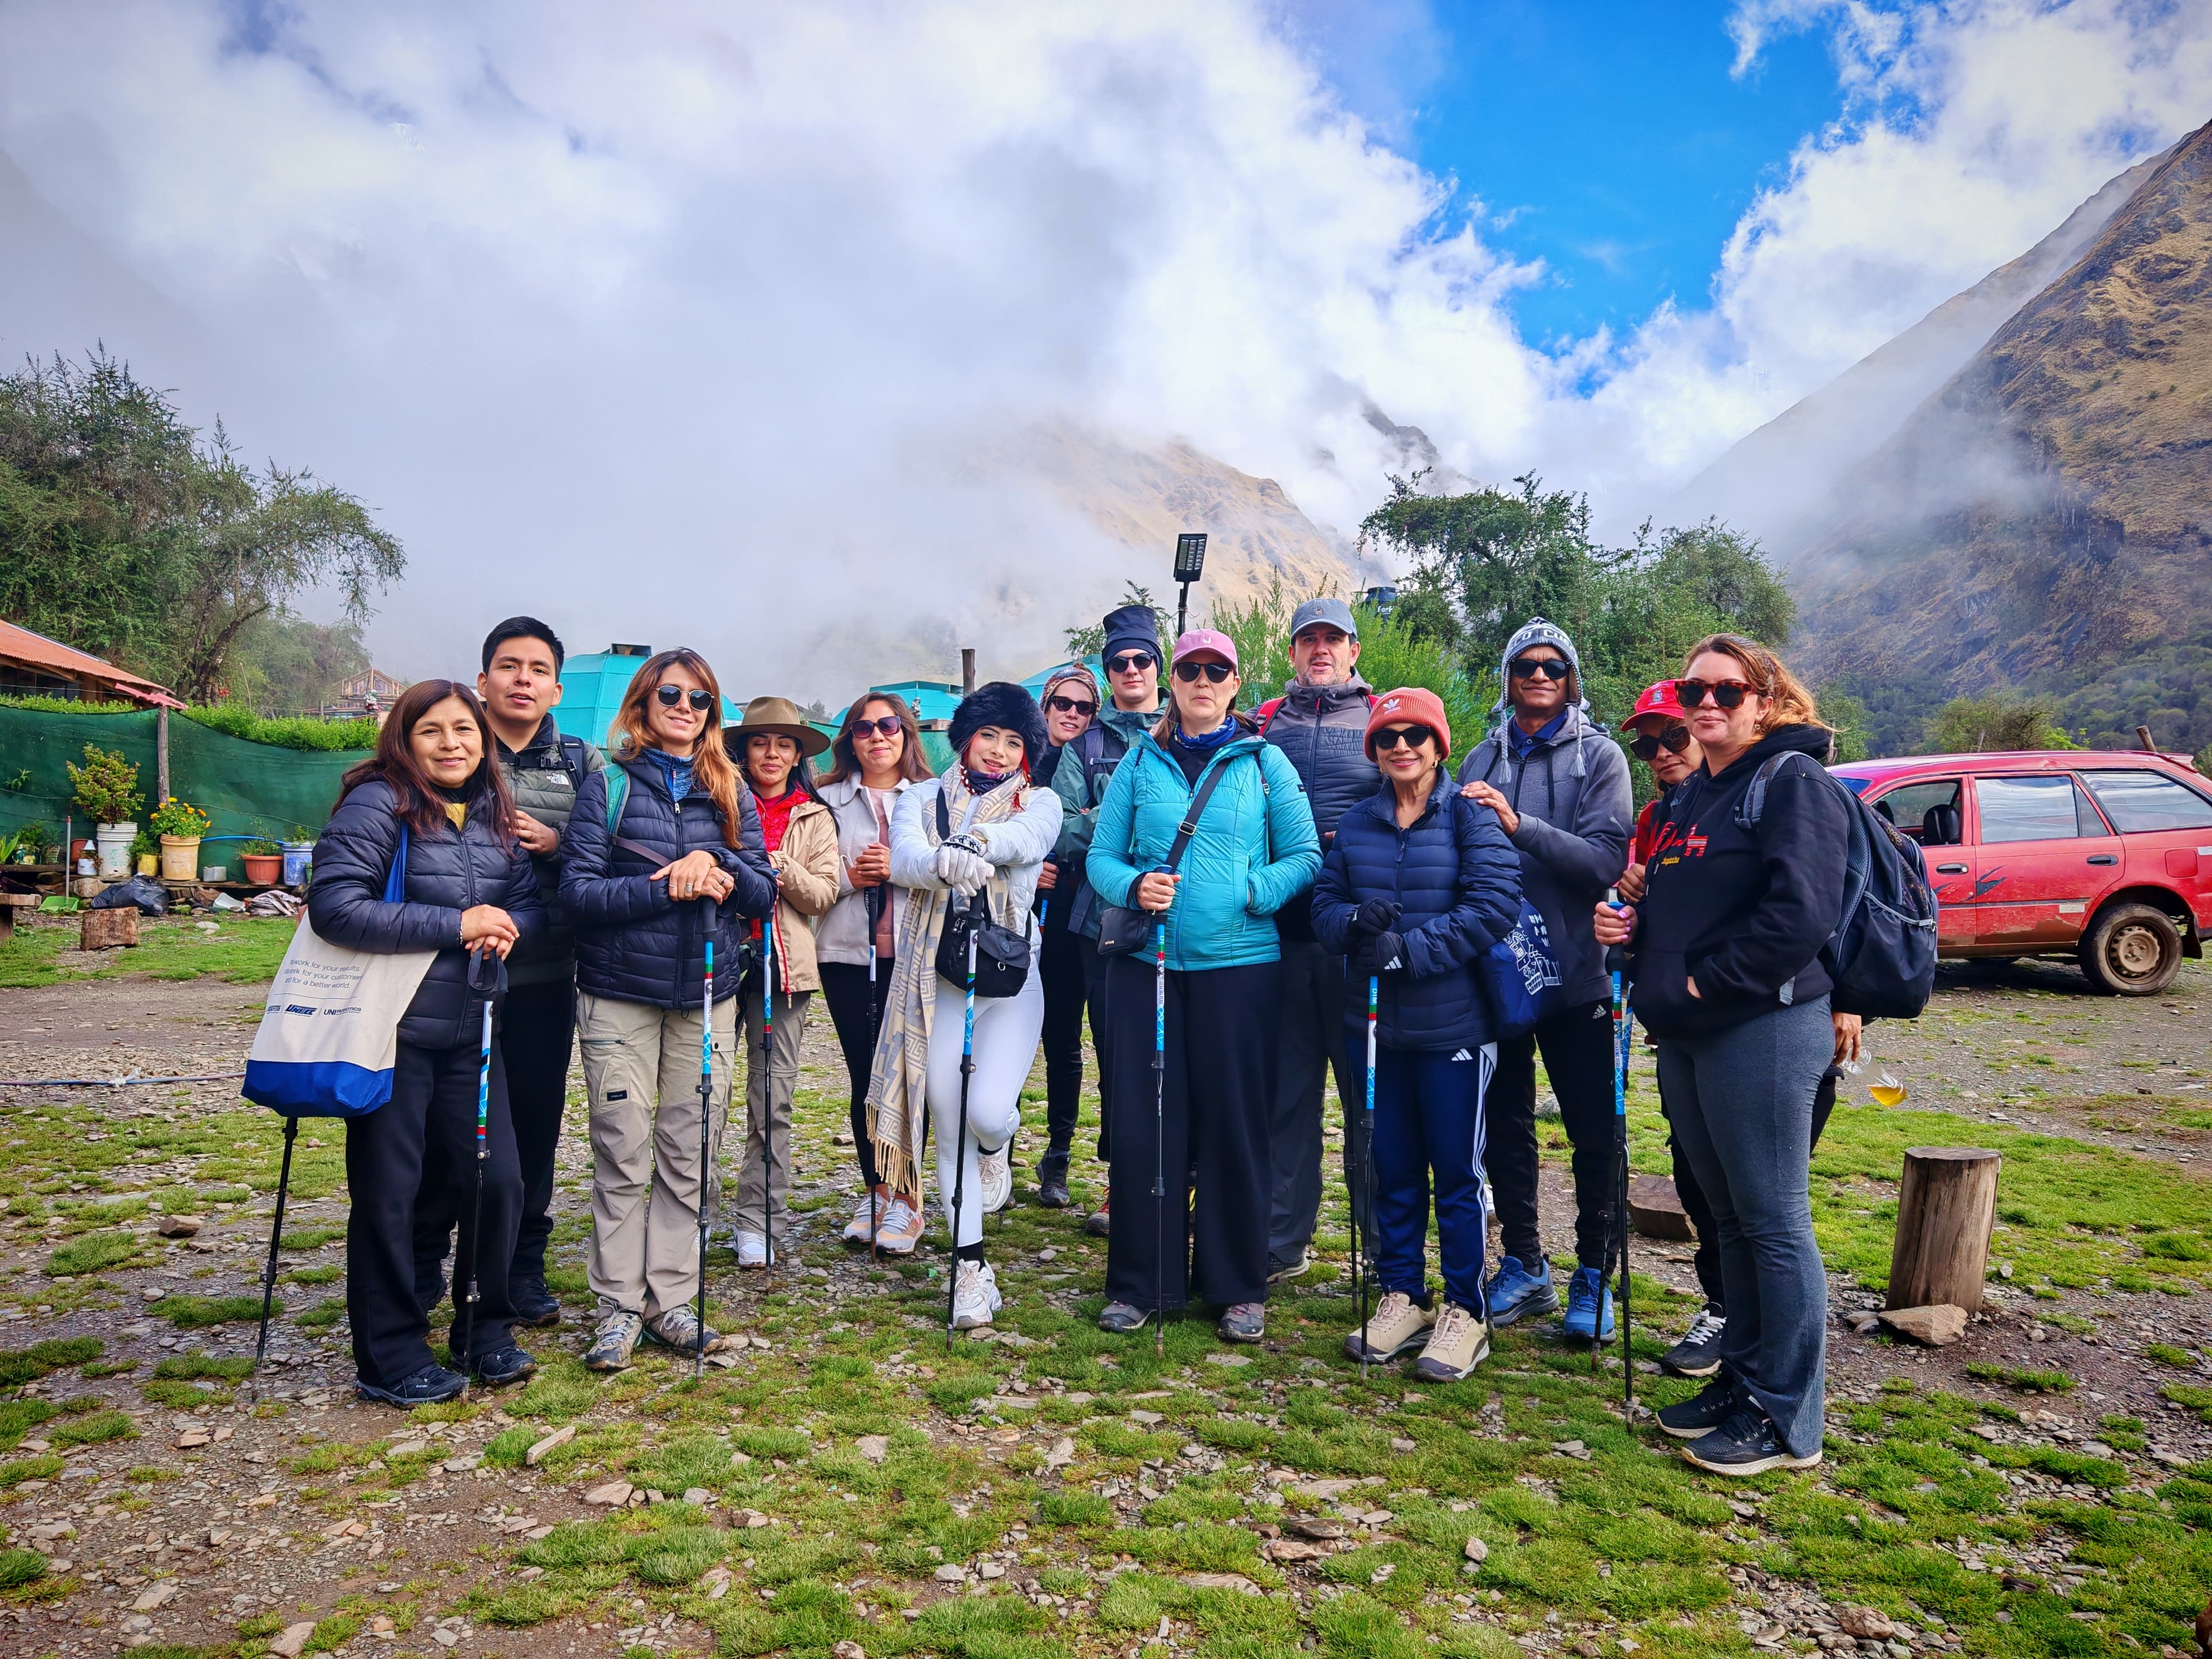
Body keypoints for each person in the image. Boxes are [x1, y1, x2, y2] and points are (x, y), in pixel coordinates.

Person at [1594, 634, 1846, 1475]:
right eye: (1696, 690)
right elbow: (1682, 902)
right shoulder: (1694, 795)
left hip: (1763, 1026)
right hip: (1690, 1035)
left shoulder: (1792, 781)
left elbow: (1801, 914)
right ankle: (1743, 1383)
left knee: (1774, 1221)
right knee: (1730, 1219)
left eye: (1727, 691)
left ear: (1765, 702)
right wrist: (1627, 933)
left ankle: (1787, 1419)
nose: (1707, 704)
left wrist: (1709, 987)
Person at [311, 679, 545, 1407]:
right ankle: (389, 1355)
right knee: (391, 1195)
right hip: (391, 1033)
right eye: (433, 732)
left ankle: (485, 1328)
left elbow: (530, 903)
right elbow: (335, 908)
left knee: (498, 1181)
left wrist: (509, 927)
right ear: (404, 741)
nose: (452, 744)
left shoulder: (494, 814)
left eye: (465, 731)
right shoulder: (377, 803)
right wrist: (458, 924)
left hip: (473, 1032)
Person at [1088, 630, 1319, 1343]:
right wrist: (1134, 883)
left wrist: (1255, 889)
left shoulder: (1265, 762)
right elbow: (1101, 856)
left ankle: (1236, 1286)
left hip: (1240, 967)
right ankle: (1141, 1283)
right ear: (1173, 681)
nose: (1203, 680)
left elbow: (1306, 855)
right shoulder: (1139, 760)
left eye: (1217, 670)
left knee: (1234, 1124)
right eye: (1191, 669)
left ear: (1235, 681)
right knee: (1145, 1122)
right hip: (1147, 968)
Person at [559, 649, 777, 1372]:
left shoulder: (732, 792)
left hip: (704, 999)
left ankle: (672, 1303)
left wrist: (720, 871)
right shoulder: (608, 785)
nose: (687, 708)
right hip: (619, 996)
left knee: (691, 1151)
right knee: (623, 1150)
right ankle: (618, 1308)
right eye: (673, 694)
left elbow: (764, 895)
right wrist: (666, 888)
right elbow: (578, 897)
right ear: (645, 703)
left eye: (702, 699)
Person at [1313, 688, 1521, 1380]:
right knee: (1390, 1166)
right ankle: (1403, 1294)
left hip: (1454, 1026)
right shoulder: (1357, 823)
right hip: (1373, 1025)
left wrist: (1404, 951)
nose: (1401, 746)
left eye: (1415, 735)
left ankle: (1467, 1310)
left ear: (1438, 745)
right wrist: (1352, 926)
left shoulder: (1470, 816)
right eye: (1388, 736)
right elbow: (1324, 906)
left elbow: (1494, 905)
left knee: (1458, 1175)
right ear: (1374, 749)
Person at [1456, 617, 1631, 1342]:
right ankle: (1525, 1265)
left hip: (1578, 976)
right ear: (1506, 676)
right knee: (1506, 1128)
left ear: (1572, 678)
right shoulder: (1478, 754)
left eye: (1553, 667)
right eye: (1525, 666)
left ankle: (1595, 1273)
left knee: (1596, 1131)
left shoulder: (1602, 758)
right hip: (1497, 975)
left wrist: (1517, 823)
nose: (1538, 676)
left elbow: (1601, 863)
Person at [867, 683, 1061, 1333]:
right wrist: (941, 862)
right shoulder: (920, 797)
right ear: (965, 737)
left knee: (986, 1114)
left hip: (1009, 981)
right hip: (937, 981)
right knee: (947, 1115)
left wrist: (979, 842)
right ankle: (971, 1271)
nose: (1000, 751)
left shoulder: (1042, 801)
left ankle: (999, 1146)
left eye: (1014, 741)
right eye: (989, 736)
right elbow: (903, 856)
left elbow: (1027, 841)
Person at [466, 617, 604, 1328]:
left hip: (547, 976)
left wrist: (557, 843)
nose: (522, 679)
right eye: (508, 666)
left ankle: (522, 1267)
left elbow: (604, 857)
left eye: (536, 669)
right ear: (483, 678)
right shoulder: (455, 748)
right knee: (459, 1129)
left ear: (555, 687)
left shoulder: (581, 762)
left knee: (537, 1126)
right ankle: (454, 1264)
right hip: (452, 978)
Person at [1253, 596, 1378, 1284]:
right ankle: (1281, 1243)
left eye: (1334, 639)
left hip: (1357, 940)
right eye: (1309, 640)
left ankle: (1384, 1252)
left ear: (1354, 650)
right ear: (1293, 651)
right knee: (1286, 1097)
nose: (1321, 650)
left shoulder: (1383, 718)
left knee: (1369, 1100)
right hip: (1278, 936)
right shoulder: (1264, 722)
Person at [1052, 603, 1166, 1239]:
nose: (1130, 670)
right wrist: (1117, 814)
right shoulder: (1089, 744)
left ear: (1159, 664)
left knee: (1178, 1053)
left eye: (1141, 660)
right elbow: (1065, 832)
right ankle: (1123, 1180)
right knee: (1119, 1058)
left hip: (1185, 919)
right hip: (1106, 924)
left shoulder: (1189, 728)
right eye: (1118, 662)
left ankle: (1184, 1174)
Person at [817, 692, 932, 1253]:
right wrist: (848, 876)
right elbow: (804, 876)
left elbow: (949, 871)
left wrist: (901, 869)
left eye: (889, 725)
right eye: (863, 728)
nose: (877, 737)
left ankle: (908, 1202)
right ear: (849, 740)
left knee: (910, 1078)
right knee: (866, 1075)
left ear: (907, 734)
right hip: (845, 953)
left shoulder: (933, 800)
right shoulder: (822, 799)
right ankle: (877, 1190)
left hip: (917, 956)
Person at [727, 697, 840, 1266]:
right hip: (719, 964)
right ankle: (689, 1213)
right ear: (743, 750)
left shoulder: (814, 816)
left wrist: (780, 865)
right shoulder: (715, 802)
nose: (772, 753)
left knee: (771, 1097)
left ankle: (757, 1218)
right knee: (701, 1097)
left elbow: (823, 893)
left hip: (782, 971)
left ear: (798, 754)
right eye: (760, 742)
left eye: (784, 744)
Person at [1029, 663, 1101, 1208]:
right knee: (1009, 1034)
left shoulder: (1094, 757)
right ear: (1046, 705)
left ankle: (1057, 1158)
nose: (1072, 715)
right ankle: (996, 1157)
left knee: (1067, 1042)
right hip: (1022, 912)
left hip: (1078, 910)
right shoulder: (1022, 760)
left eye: (1084, 707)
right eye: (1063, 704)